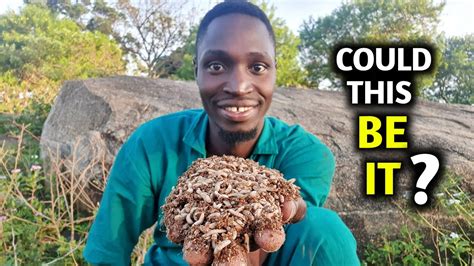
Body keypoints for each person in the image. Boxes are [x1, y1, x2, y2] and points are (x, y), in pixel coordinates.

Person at [83, 1, 359, 265]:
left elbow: (287, 236)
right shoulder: (152, 143)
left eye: (257, 67)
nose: (239, 86)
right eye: (216, 66)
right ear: (197, 71)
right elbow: (108, 251)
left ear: (275, 71)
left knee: (326, 230)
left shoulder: (307, 154)